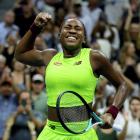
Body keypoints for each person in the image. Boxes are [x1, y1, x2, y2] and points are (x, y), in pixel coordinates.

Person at [14, 12, 129, 140]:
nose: (72, 31)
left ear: (84, 38)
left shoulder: (94, 58)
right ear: (59, 35)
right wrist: (35, 27)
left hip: (83, 135)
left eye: (78, 29)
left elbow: (122, 85)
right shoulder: (50, 56)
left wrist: (111, 113)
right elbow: (20, 54)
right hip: (51, 133)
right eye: (67, 27)